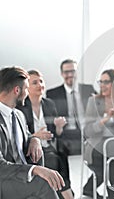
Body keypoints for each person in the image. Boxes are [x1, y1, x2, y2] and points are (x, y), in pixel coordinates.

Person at [0, 66, 65, 199]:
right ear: (16, 90)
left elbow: (26, 134)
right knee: (43, 183)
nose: (27, 93)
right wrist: (34, 170)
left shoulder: (18, 114)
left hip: (20, 175)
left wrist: (34, 140)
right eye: (26, 89)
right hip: (4, 180)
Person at [17, 69, 74, 199]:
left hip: (49, 148)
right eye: (35, 83)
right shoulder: (20, 107)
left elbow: (56, 135)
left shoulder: (49, 104)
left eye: (41, 81)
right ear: (27, 86)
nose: (40, 85)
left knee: (60, 155)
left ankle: (64, 192)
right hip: (31, 151)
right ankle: (66, 193)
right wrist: (35, 136)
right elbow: (18, 136)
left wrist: (59, 127)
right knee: (55, 160)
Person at [46, 59, 96, 193]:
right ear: (62, 74)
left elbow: (100, 109)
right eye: (66, 72)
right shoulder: (52, 94)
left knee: (103, 151)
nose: (70, 75)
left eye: (72, 71)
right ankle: (66, 189)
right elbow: (50, 121)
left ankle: (90, 189)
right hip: (65, 134)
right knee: (58, 154)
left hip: (87, 132)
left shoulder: (88, 89)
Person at [83, 69, 114, 199]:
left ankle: (95, 193)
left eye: (106, 82)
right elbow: (87, 131)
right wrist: (104, 120)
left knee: (112, 161)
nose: (102, 85)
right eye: (101, 82)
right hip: (96, 148)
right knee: (112, 156)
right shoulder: (93, 101)